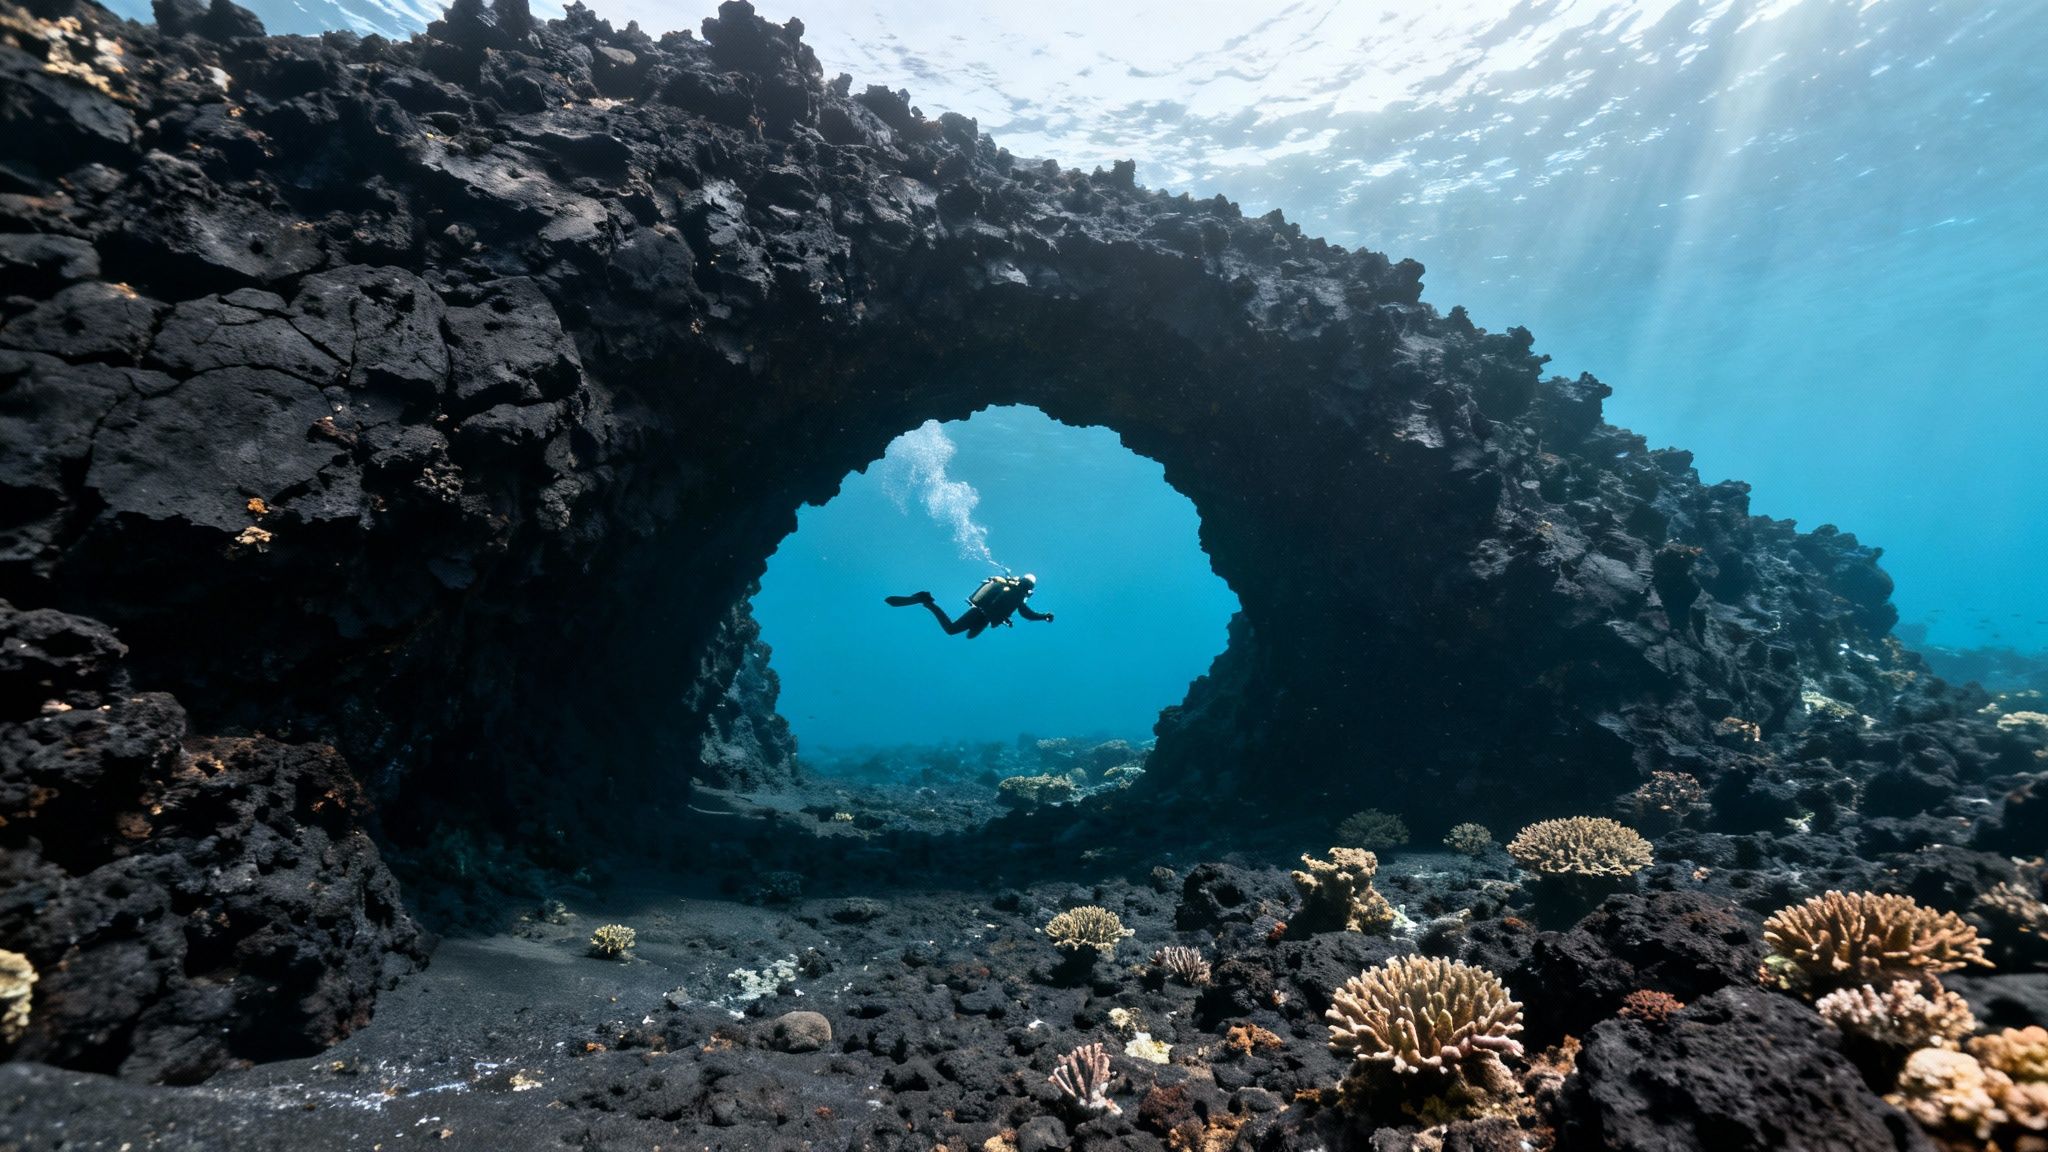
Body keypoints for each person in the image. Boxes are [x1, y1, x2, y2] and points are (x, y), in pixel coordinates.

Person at [886, 573, 1054, 639]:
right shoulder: (1018, 596)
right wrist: (1043, 616)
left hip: (983, 617)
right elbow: (1026, 614)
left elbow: (1018, 611)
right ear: (1029, 588)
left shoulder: (1012, 590)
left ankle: (927, 602)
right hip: (980, 614)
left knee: (969, 636)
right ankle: (927, 601)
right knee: (951, 630)